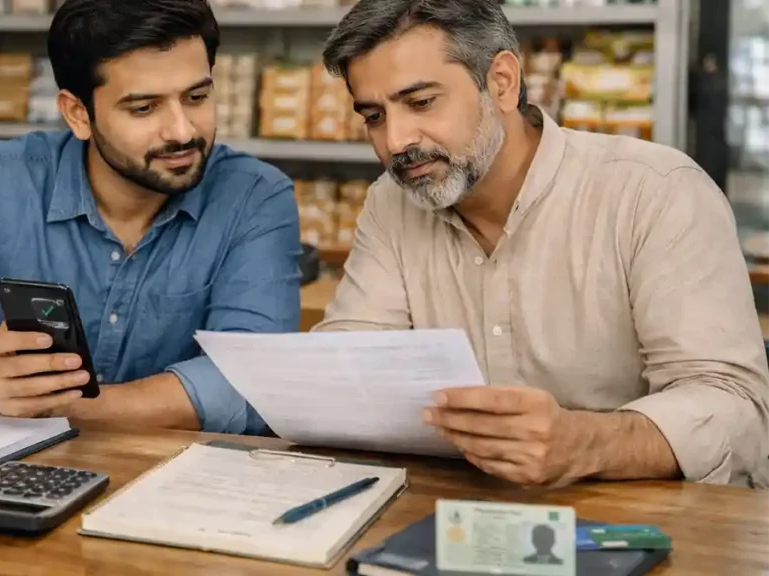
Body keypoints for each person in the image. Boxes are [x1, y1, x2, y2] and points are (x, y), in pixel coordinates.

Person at [316, 0, 769, 487]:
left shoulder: (655, 191)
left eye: (422, 102)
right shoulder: (391, 204)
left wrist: (584, 443)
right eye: (374, 116)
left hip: (645, 528)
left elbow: (734, 409)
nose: (396, 140)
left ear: (502, 83)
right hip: (453, 515)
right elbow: (349, 368)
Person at [0, 0, 301, 435]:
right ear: (77, 113)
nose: (182, 130)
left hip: (171, 490)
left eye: (197, 97)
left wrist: (53, 406)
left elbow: (251, 384)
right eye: (144, 107)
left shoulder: (255, 196)